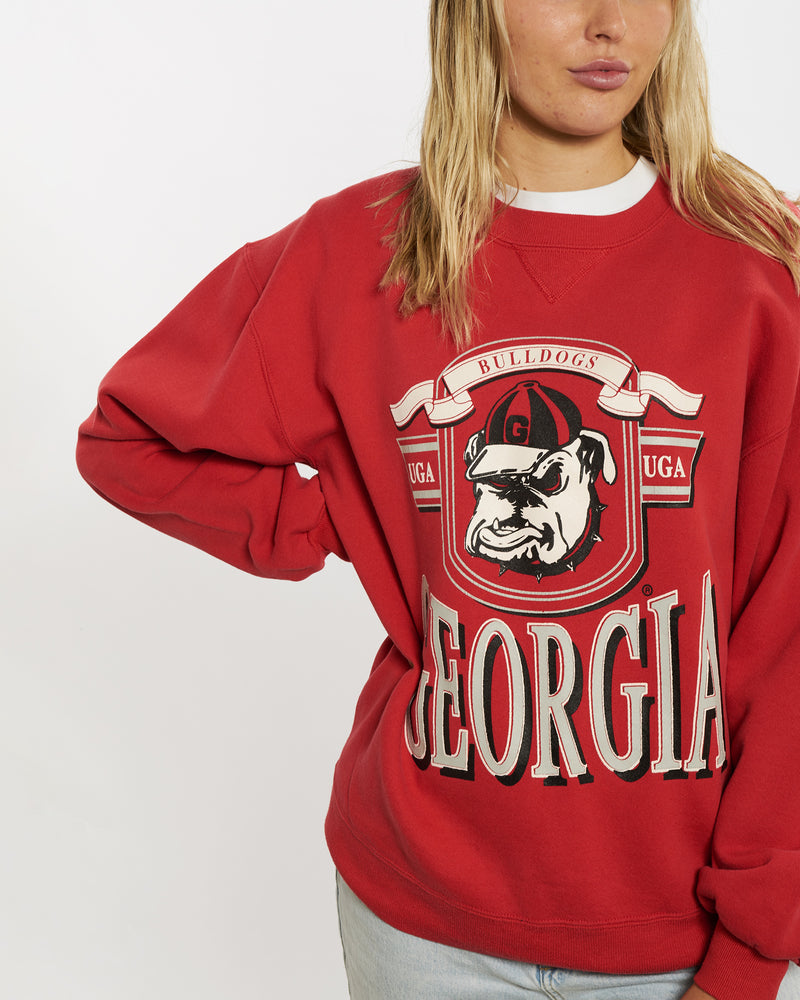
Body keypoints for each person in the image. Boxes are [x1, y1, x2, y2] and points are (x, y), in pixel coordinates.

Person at [76, 1, 800, 998]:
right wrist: (340, 519)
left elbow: (790, 630)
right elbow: (129, 437)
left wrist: (756, 946)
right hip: (420, 921)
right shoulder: (354, 250)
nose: (609, 23)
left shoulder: (760, 263)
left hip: (684, 933)